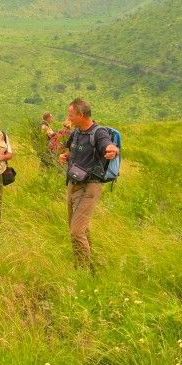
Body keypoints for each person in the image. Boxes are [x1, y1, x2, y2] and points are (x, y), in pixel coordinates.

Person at [58, 98, 119, 270]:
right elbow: (72, 151)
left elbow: (109, 146)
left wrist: (112, 150)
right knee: (79, 229)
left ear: (81, 115)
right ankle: (92, 267)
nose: (68, 119)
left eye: (71, 116)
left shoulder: (99, 133)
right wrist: (66, 156)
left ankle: (82, 271)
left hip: (89, 188)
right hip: (73, 185)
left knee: (76, 231)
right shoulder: (77, 132)